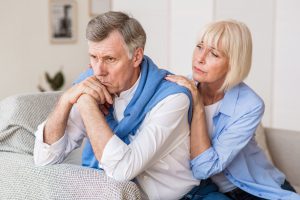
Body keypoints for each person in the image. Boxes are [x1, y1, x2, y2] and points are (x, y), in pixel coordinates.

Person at [34, 11, 209, 200]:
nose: (99, 71)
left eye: (110, 59)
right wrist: (67, 98)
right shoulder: (91, 84)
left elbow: (122, 169)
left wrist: (85, 103)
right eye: (93, 57)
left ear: (136, 57)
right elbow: (45, 158)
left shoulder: (172, 99)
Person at [166, 20, 300, 200]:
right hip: (208, 191)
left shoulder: (250, 105)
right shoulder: (180, 89)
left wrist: (198, 106)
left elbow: (204, 168)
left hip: (257, 189)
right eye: (199, 46)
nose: (200, 58)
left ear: (233, 63)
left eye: (214, 53)